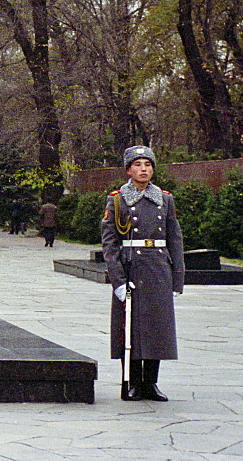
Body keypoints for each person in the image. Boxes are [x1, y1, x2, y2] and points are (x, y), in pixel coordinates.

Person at [101, 145, 185, 402]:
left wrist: (177, 276)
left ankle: (151, 382)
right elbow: (110, 242)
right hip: (131, 268)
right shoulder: (117, 199)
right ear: (128, 170)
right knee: (130, 328)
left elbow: (175, 237)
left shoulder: (165, 199)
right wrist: (117, 279)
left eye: (148, 165)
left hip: (158, 268)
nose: (143, 169)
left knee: (157, 327)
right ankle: (132, 382)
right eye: (138, 165)